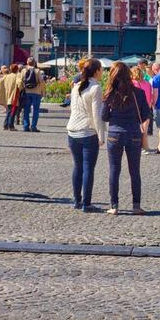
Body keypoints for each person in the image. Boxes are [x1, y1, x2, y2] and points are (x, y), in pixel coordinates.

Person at [101, 61, 152, 215]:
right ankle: (136, 205)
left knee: (114, 170)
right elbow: (145, 115)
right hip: (134, 134)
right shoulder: (138, 93)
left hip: (115, 134)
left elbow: (104, 116)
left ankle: (114, 205)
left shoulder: (110, 93)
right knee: (134, 171)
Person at [66, 59, 105, 212]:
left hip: (72, 131)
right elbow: (96, 114)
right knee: (88, 168)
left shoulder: (76, 87)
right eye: (101, 69)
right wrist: (101, 135)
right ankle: (87, 204)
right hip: (88, 132)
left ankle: (77, 200)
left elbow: (73, 109)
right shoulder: (95, 88)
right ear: (96, 71)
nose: (102, 72)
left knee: (78, 167)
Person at [131, 67, 154, 154]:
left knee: (138, 129)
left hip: (136, 109)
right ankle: (145, 147)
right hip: (147, 108)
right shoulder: (148, 84)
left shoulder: (132, 83)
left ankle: (141, 147)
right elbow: (150, 97)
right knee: (144, 129)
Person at [19, 58, 45, 133]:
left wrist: (21, 90)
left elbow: (20, 81)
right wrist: (43, 92)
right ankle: (33, 127)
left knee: (26, 110)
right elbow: (41, 81)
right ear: (34, 63)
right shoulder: (37, 71)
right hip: (36, 92)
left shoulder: (24, 71)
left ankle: (26, 126)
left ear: (27, 62)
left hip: (26, 92)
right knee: (35, 110)